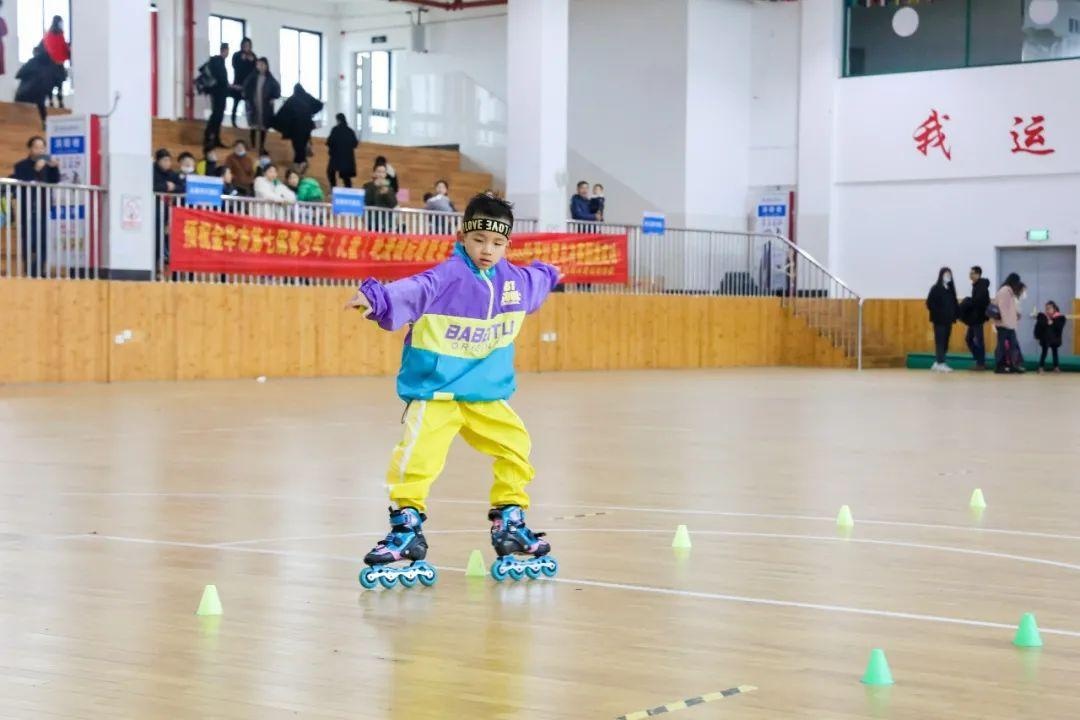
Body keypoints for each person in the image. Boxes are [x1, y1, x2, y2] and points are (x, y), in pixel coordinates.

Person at [342, 193, 563, 588]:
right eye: (479, 239)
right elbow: (410, 290)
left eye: (497, 243)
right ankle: (406, 529)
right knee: (416, 459)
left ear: (507, 245)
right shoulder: (445, 278)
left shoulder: (515, 283)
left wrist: (552, 273)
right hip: (436, 394)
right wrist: (374, 298)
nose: (487, 250)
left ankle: (510, 522)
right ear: (462, 236)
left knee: (516, 448)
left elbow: (540, 279)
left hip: (486, 396)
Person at [11, 135, 60, 277]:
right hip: (27, 209)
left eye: (42, 147)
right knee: (29, 241)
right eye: (36, 147)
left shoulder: (47, 164)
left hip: (43, 208)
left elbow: (54, 181)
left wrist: (54, 167)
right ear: (30, 148)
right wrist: (36, 170)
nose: (40, 150)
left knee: (44, 242)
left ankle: (36, 270)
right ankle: (31, 270)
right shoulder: (21, 165)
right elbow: (25, 181)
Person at [271, 83, 323, 171]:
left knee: (298, 147)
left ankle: (300, 164)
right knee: (302, 145)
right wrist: (310, 112)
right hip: (307, 127)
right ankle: (302, 163)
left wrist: (273, 122)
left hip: (295, 130)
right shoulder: (308, 97)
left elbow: (282, 114)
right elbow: (320, 105)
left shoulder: (291, 100)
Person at [15, 44, 61, 128]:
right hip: (40, 94)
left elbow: (18, 75)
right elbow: (57, 81)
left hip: (25, 93)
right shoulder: (52, 65)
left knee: (20, 116)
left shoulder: (33, 61)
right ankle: (45, 125)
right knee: (41, 109)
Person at [242, 56, 279, 155]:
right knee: (253, 126)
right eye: (258, 64)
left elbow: (277, 90)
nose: (260, 67)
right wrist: (247, 99)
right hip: (253, 106)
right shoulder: (252, 76)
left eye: (262, 65)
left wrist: (272, 97)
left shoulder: (270, 78)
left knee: (263, 127)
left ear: (266, 66)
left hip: (265, 106)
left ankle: (262, 147)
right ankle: (253, 146)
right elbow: (245, 88)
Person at [925, 266, 958, 373]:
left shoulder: (950, 290)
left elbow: (954, 304)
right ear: (941, 276)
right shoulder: (935, 288)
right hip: (939, 320)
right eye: (946, 274)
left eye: (949, 274)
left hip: (948, 320)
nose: (948, 276)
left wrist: (955, 314)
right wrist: (938, 313)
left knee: (946, 341)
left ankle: (938, 362)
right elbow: (929, 303)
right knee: (940, 341)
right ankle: (941, 363)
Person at [959, 266, 991, 371]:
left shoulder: (981, 285)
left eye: (972, 273)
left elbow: (979, 301)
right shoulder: (977, 285)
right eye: (970, 273)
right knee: (969, 339)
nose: (970, 275)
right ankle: (980, 361)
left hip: (977, 318)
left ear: (978, 274)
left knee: (978, 340)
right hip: (974, 318)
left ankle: (980, 363)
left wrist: (968, 302)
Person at [992, 273, 1024, 374]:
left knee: (1013, 345)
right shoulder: (1005, 291)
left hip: (1009, 324)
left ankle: (1013, 365)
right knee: (1001, 346)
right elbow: (1002, 308)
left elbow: (1010, 308)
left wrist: (1016, 315)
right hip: (1004, 324)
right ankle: (999, 366)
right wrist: (1006, 322)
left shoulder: (1009, 291)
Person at [203, 43, 231, 151]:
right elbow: (220, 78)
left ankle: (215, 138)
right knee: (216, 115)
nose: (227, 52)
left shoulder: (219, 61)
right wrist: (227, 84)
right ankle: (209, 137)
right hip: (218, 92)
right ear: (223, 50)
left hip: (219, 92)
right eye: (226, 50)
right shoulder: (217, 61)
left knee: (218, 115)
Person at [42, 15, 69, 109]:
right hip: (57, 64)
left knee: (51, 85)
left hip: (51, 64)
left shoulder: (48, 35)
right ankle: (59, 102)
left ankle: (51, 102)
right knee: (59, 85)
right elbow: (63, 48)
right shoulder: (58, 35)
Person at [326, 113, 359, 188]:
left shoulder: (335, 129)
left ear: (338, 120)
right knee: (346, 177)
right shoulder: (350, 131)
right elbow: (355, 144)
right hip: (347, 158)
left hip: (336, 157)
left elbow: (329, 142)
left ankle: (333, 188)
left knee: (330, 172)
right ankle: (349, 192)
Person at [230, 38, 256, 128]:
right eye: (245, 45)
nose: (246, 47)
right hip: (238, 83)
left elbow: (255, 70)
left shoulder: (253, 56)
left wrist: (251, 61)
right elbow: (234, 66)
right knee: (236, 103)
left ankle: (251, 123)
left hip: (248, 86)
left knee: (249, 106)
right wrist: (242, 60)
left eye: (248, 45)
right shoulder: (237, 55)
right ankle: (233, 122)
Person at [1034, 301, 1066, 374]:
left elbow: (1059, 327)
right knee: (1044, 352)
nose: (1047, 310)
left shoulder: (1060, 317)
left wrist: (1053, 322)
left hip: (1055, 338)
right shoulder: (1042, 317)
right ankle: (1041, 367)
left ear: (1054, 309)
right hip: (1045, 339)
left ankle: (1056, 367)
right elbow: (1038, 326)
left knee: (1055, 352)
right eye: (1046, 308)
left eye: (1049, 308)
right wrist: (1046, 322)